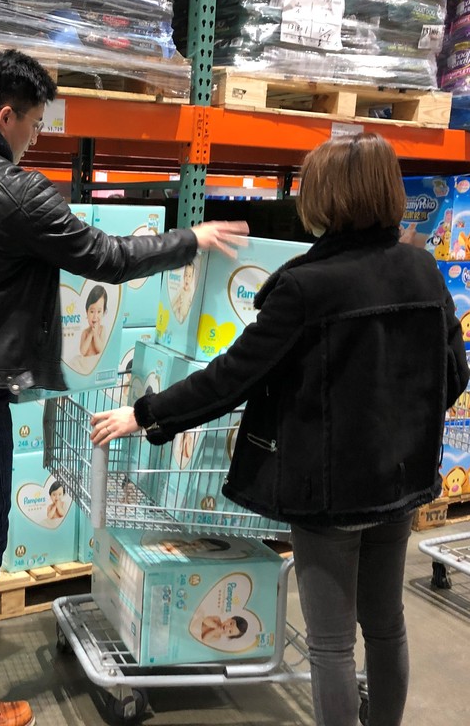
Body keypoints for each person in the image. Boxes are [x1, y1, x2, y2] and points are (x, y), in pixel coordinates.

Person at [0, 48, 247, 726]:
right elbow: (106, 257)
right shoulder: (17, 191)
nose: (36, 137)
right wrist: (189, 238)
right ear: (5, 115)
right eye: (36, 123)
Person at [90, 133, 470, 726]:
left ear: (325, 198)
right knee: (386, 624)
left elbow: (231, 377)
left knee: (331, 645)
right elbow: (453, 374)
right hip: (399, 482)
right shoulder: (422, 270)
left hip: (326, 494)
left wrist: (144, 413)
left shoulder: (305, 287)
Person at [78, 285, 108, 359]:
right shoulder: (85, 332)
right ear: (87, 312)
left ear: (104, 312)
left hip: (96, 363)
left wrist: (95, 335)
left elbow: (100, 349)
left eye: (99, 311)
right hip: (85, 363)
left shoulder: (102, 330)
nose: (95, 316)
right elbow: (82, 352)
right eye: (92, 311)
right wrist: (91, 334)